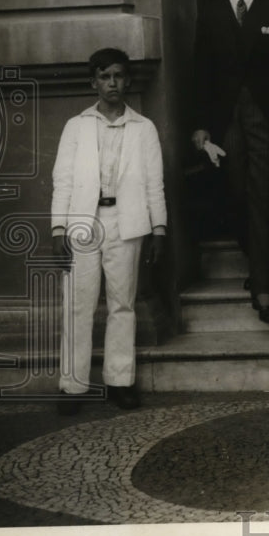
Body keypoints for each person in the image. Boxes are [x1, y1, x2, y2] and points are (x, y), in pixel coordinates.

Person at [51, 48, 167, 414]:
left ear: (127, 80)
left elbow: (154, 183)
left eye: (118, 76)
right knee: (78, 304)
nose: (112, 83)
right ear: (94, 82)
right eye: (104, 77)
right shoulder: (77, 126)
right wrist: (58, 228)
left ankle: (120, 381)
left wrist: (159, 229)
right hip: (83, 223)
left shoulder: (143, 128)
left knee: (122, 304)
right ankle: (72, 386)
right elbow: (63, 181)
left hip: (126, 223)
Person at [192, 0, 269, 326]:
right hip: (225, 119)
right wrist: (199, 126)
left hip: (267, 118)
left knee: (264, 195)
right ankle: (259, 263)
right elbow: (200, 72)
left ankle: (265, 288)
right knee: (236, 194)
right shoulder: (212, 13)